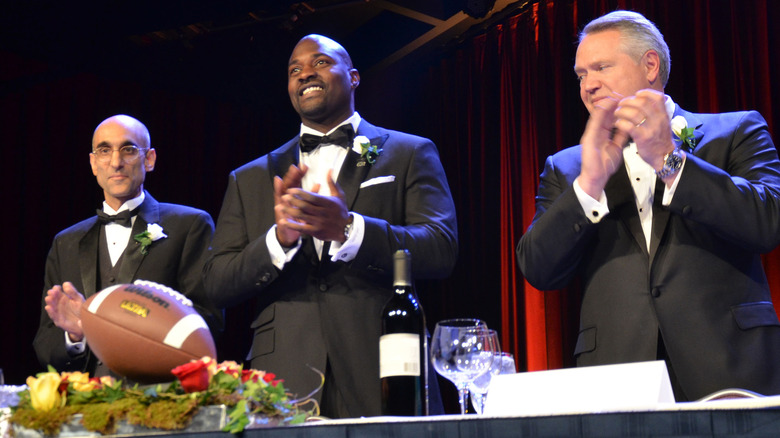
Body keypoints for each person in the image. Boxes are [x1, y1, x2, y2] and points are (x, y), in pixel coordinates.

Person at [516, 10, 780, 401]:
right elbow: (538, 269)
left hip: (729, 368)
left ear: (650, 65)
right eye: (581, 75)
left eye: (601, 67)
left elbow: (767, 222)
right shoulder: (568, 166)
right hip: (617, 376)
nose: (589, 85)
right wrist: (589, 186)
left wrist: (669, 161)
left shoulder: (736, 130)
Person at [203, 34, 458, 418]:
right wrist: (279, 239)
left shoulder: (410, 151)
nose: (305, 72)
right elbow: (216, 284)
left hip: (383, 362)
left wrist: (349, 229)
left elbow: (440, 248)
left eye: (320, 62)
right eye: (294, 70)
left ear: (354, 77)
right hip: (282, 375)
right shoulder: (250, 177)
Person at [34, 114, 223, 378]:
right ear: (93, 163)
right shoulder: (66, 242)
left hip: (157, 399)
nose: (116, 162)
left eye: (128, 149)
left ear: (150, 159)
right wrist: (76, 334)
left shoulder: (190, 225)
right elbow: (45, 347)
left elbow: (207, 324)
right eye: (104, 150)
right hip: (88, 405)